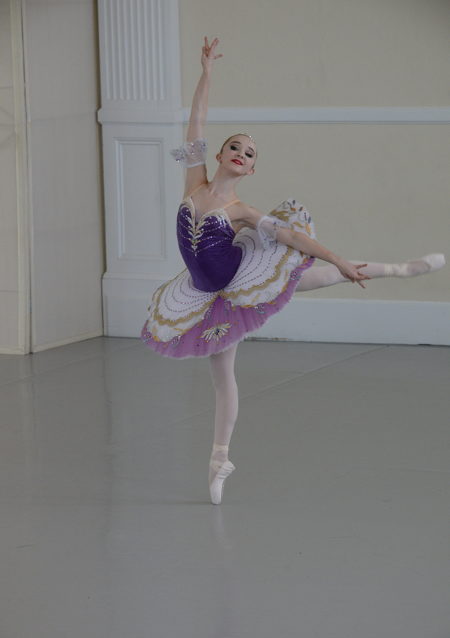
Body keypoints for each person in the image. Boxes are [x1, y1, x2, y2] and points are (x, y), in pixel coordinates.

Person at [141, 37, 445, 505]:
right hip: (201, 293)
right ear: (219, 155)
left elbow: (292, 238)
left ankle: (400, 268)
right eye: (235, 147)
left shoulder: (242, 210)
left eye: (250, 154)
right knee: (222, 378)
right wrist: (206, 72)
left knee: (325, 275)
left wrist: (335, 256)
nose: (242, 153)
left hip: (240, 282)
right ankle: (220, 461)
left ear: (251, 170)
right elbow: (196, 120)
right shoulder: (193, 182)